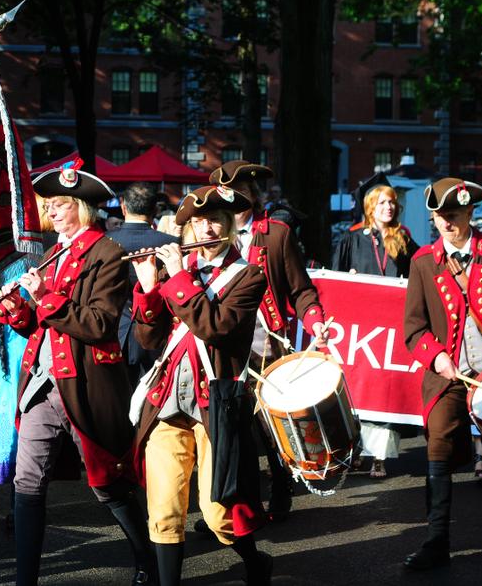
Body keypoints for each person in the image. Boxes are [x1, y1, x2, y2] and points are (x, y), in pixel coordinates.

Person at [0, 161, 155, 586]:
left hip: (87, 385)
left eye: (60, 204)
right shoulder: (54, 251)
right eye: (49, 204)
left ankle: (147, 562)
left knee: (108, 483)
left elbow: (99, 324)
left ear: (82, 208)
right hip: (41, 384)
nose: (50, 210)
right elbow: (42, 325)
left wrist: (44, 296)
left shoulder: (107, 252)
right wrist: (18, 310)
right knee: (26, 482)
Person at [129, 184, 271, 586]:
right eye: (199, 222)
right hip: (167, 400)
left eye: (216, 221)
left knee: (219, 514)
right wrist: (148, 288)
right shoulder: (181, 270)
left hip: (216, 405)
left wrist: (176, 277)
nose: (207, 229)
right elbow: (148, 340)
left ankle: (256, 563)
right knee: (163, 512)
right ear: (189, 228)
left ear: (229, 225)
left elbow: (216, 327)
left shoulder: (249, 276)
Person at [402, 178, 482, 570]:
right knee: (438, 441)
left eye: (453, 215)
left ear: (471, 212)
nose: (446, 223)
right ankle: (436, 540)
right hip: (450, 374)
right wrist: (438, 357)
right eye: (440, 216)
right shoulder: (423, 262)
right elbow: (414, 329)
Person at [207, 160, 329, 522]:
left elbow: (301, 289)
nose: (232, 200)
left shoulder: (276, 234)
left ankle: (280, 484)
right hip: (222, 344)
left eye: (239, 193)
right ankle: (238, 508)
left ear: (252, 194)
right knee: (229, 427)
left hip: (266, 344)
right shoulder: (210, 233)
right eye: (226, 194)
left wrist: (315, 321)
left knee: (270, 426)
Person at [331, 179, 419, 478]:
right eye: (382, 202)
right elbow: (336, 278)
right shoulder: (352, 238)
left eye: (392, 202)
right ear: (370, 207)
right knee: (358, 390)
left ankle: (379, 458)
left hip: (390, 327)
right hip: (360, 328)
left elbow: (419, 273)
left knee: (384, 391)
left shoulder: (403, 239)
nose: (388, 207)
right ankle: (355, 449)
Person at [107, 182, 180, 381]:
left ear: (123, 207)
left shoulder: (104, 241)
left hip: (115, 330)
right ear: (155, 209)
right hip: (156, 331)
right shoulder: (172, 243)